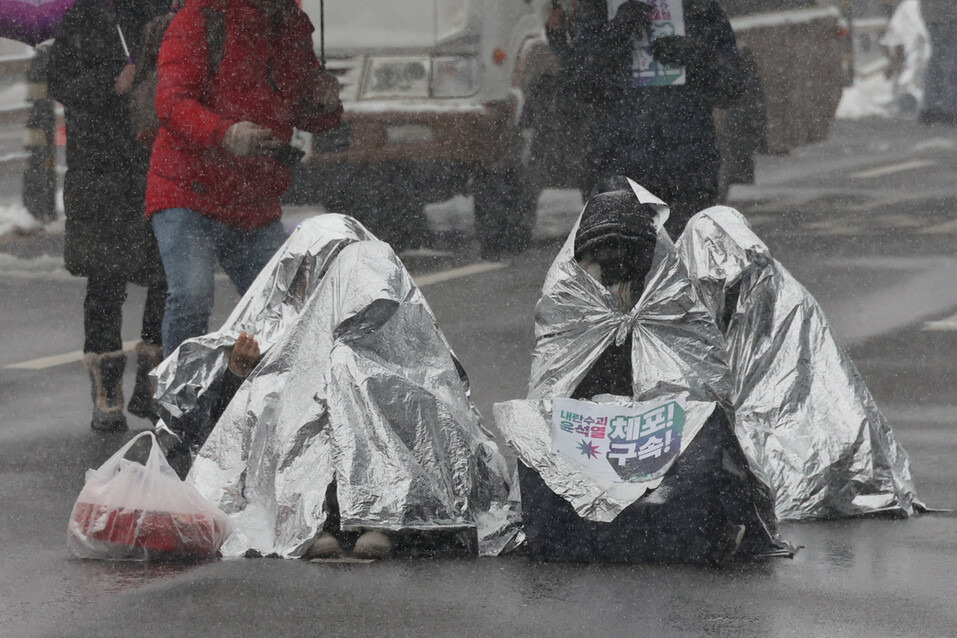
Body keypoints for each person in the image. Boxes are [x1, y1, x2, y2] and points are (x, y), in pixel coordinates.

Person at [151, 215, 517, 560]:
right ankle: (320, 519)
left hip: (397, 465)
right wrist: (238, 374)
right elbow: (227, 428)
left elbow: (450, 404)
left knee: (359, 378)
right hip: (308, 473)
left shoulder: (399, 325)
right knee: (303, 402)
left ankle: (382, 520)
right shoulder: (279, 331)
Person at [494, 179, 783, 564]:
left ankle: (675, 528)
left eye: (626, 270)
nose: (615, 288)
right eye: (603, 271)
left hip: (659, 467)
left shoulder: (673, 306)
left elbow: (705, 397)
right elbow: (550, 391)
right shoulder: (569, 308)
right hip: (594, 453)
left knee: (705, 434)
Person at [147, 0, 343, 357]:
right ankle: (181, 400)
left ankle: (270, 398)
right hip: (189, 191)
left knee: (283, 311)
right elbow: (172, 102)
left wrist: (323, 103)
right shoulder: (202, 18)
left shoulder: (292, 27)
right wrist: (225, 134)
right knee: (192, 298)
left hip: (254, 200)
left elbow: (301, 111)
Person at [49, 0, 169, 431]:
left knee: (164, 275)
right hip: (100, 168)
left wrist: (150, 87)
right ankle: (107, 389)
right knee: (105, 277)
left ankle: (154, 383)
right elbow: (60, 83)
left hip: (153, 160)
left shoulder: (162, 14)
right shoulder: (82, 17)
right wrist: (111, 85)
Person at [545, 0, 746, 237]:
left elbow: (732, 87)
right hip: (618, 173)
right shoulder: (600, 11)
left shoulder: (699, 9)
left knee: (684, 263)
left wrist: (696, 56)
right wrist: (615, 37)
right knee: (626, 265)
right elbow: (579, 88)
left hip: (690, 171)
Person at [918, 0, 957, 123]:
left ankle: (931, 106)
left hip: (932, 13)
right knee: (950, 59)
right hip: (949, 13)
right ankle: (948, 107)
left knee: (938, 57)